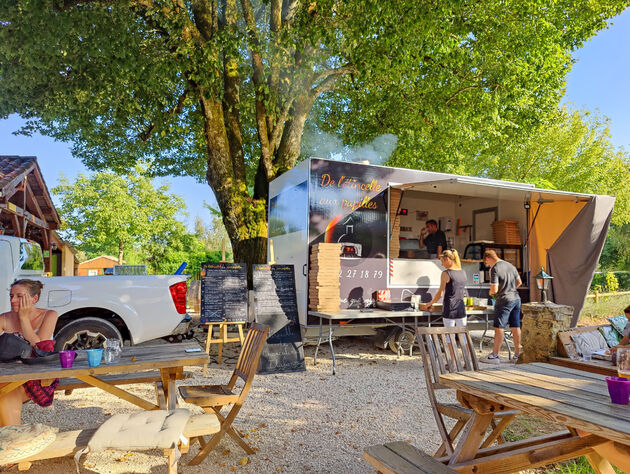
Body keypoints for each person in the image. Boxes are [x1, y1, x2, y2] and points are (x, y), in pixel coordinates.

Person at [0, 279, 59, 426]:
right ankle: (12, 439)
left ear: (34, 299)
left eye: (19, 296)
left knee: (5, 391)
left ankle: (13, 440)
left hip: (38, 377)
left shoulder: (49, 315)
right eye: (11, 296)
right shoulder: (4, 318)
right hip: (10, 375)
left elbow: (40, 347)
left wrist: (24, 318)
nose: (13, 300)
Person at [484, 249, 522, 362]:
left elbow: (494, 289)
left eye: (486, 263)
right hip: (516, 298)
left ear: (487, 258)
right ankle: (517, 355)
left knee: (499, 327)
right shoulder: (511, 265)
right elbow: (519, 282)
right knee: (515, 326)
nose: (487, 265)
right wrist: (510, 290)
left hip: (504, 300)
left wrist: (491, 293)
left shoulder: (494, 268)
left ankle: (495, 355)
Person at [421, 249, 468, 328]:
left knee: (449, 337)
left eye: (442, 261)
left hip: (449, 309)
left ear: (447, 259)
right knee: (463, 336)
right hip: (461, 309)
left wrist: (429, 304)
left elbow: (440, 293)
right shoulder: (463, 272)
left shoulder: (446, 273)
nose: (442, 264)